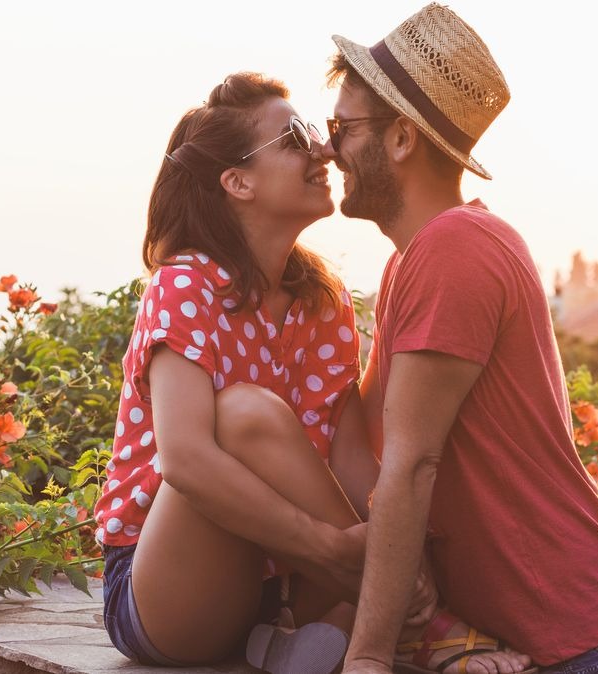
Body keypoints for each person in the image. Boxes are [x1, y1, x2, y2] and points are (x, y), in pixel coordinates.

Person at [93, 72, 532, 674]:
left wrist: (397, 558)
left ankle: (304, 638)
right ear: (237, 181)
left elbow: (352, 460)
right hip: (165, 589)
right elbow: (185, 460)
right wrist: (335, 552)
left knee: (374, 530)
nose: (322, 149)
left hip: (276, 583)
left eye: (318, 134)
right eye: (295, 137)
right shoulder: (185, 284)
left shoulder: (320, 301)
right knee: (246, 416)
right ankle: (412, 624)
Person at [322, 4, 598, 674]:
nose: (328, 146)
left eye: (343, 127)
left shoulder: (456, 249)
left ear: (400, 139)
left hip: (582, 649)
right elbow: (360, 439)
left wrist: (367, 659)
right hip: (532, 645)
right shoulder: (412, 261)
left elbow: (410, 465)